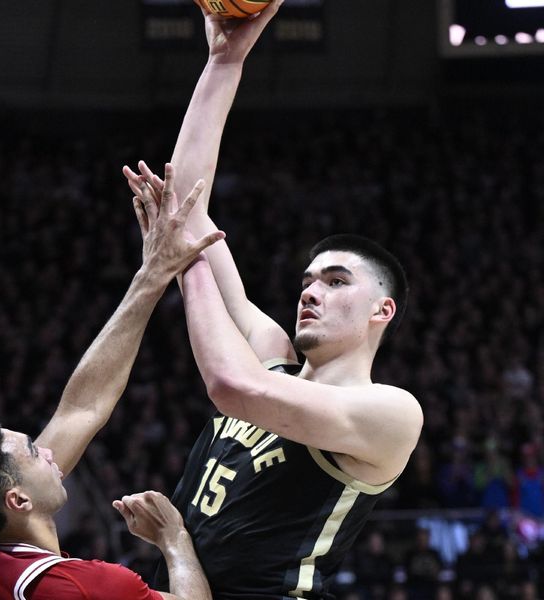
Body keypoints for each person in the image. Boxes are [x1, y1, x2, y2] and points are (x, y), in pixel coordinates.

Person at [124, 3, 423, 598]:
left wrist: (178, 257)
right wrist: (224, 62)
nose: (311, 290)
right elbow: (187, 205)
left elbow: (233, 387)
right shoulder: (272, 354)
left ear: (381, 312)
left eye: (337, 282)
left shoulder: (390, 412)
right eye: (308, 280)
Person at [0, 176, 223, 600]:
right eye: (32, 452)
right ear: (19, 500)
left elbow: (81, 408)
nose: (47, 450)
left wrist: (152, 275)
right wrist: (175, 541)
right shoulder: (76, 588)